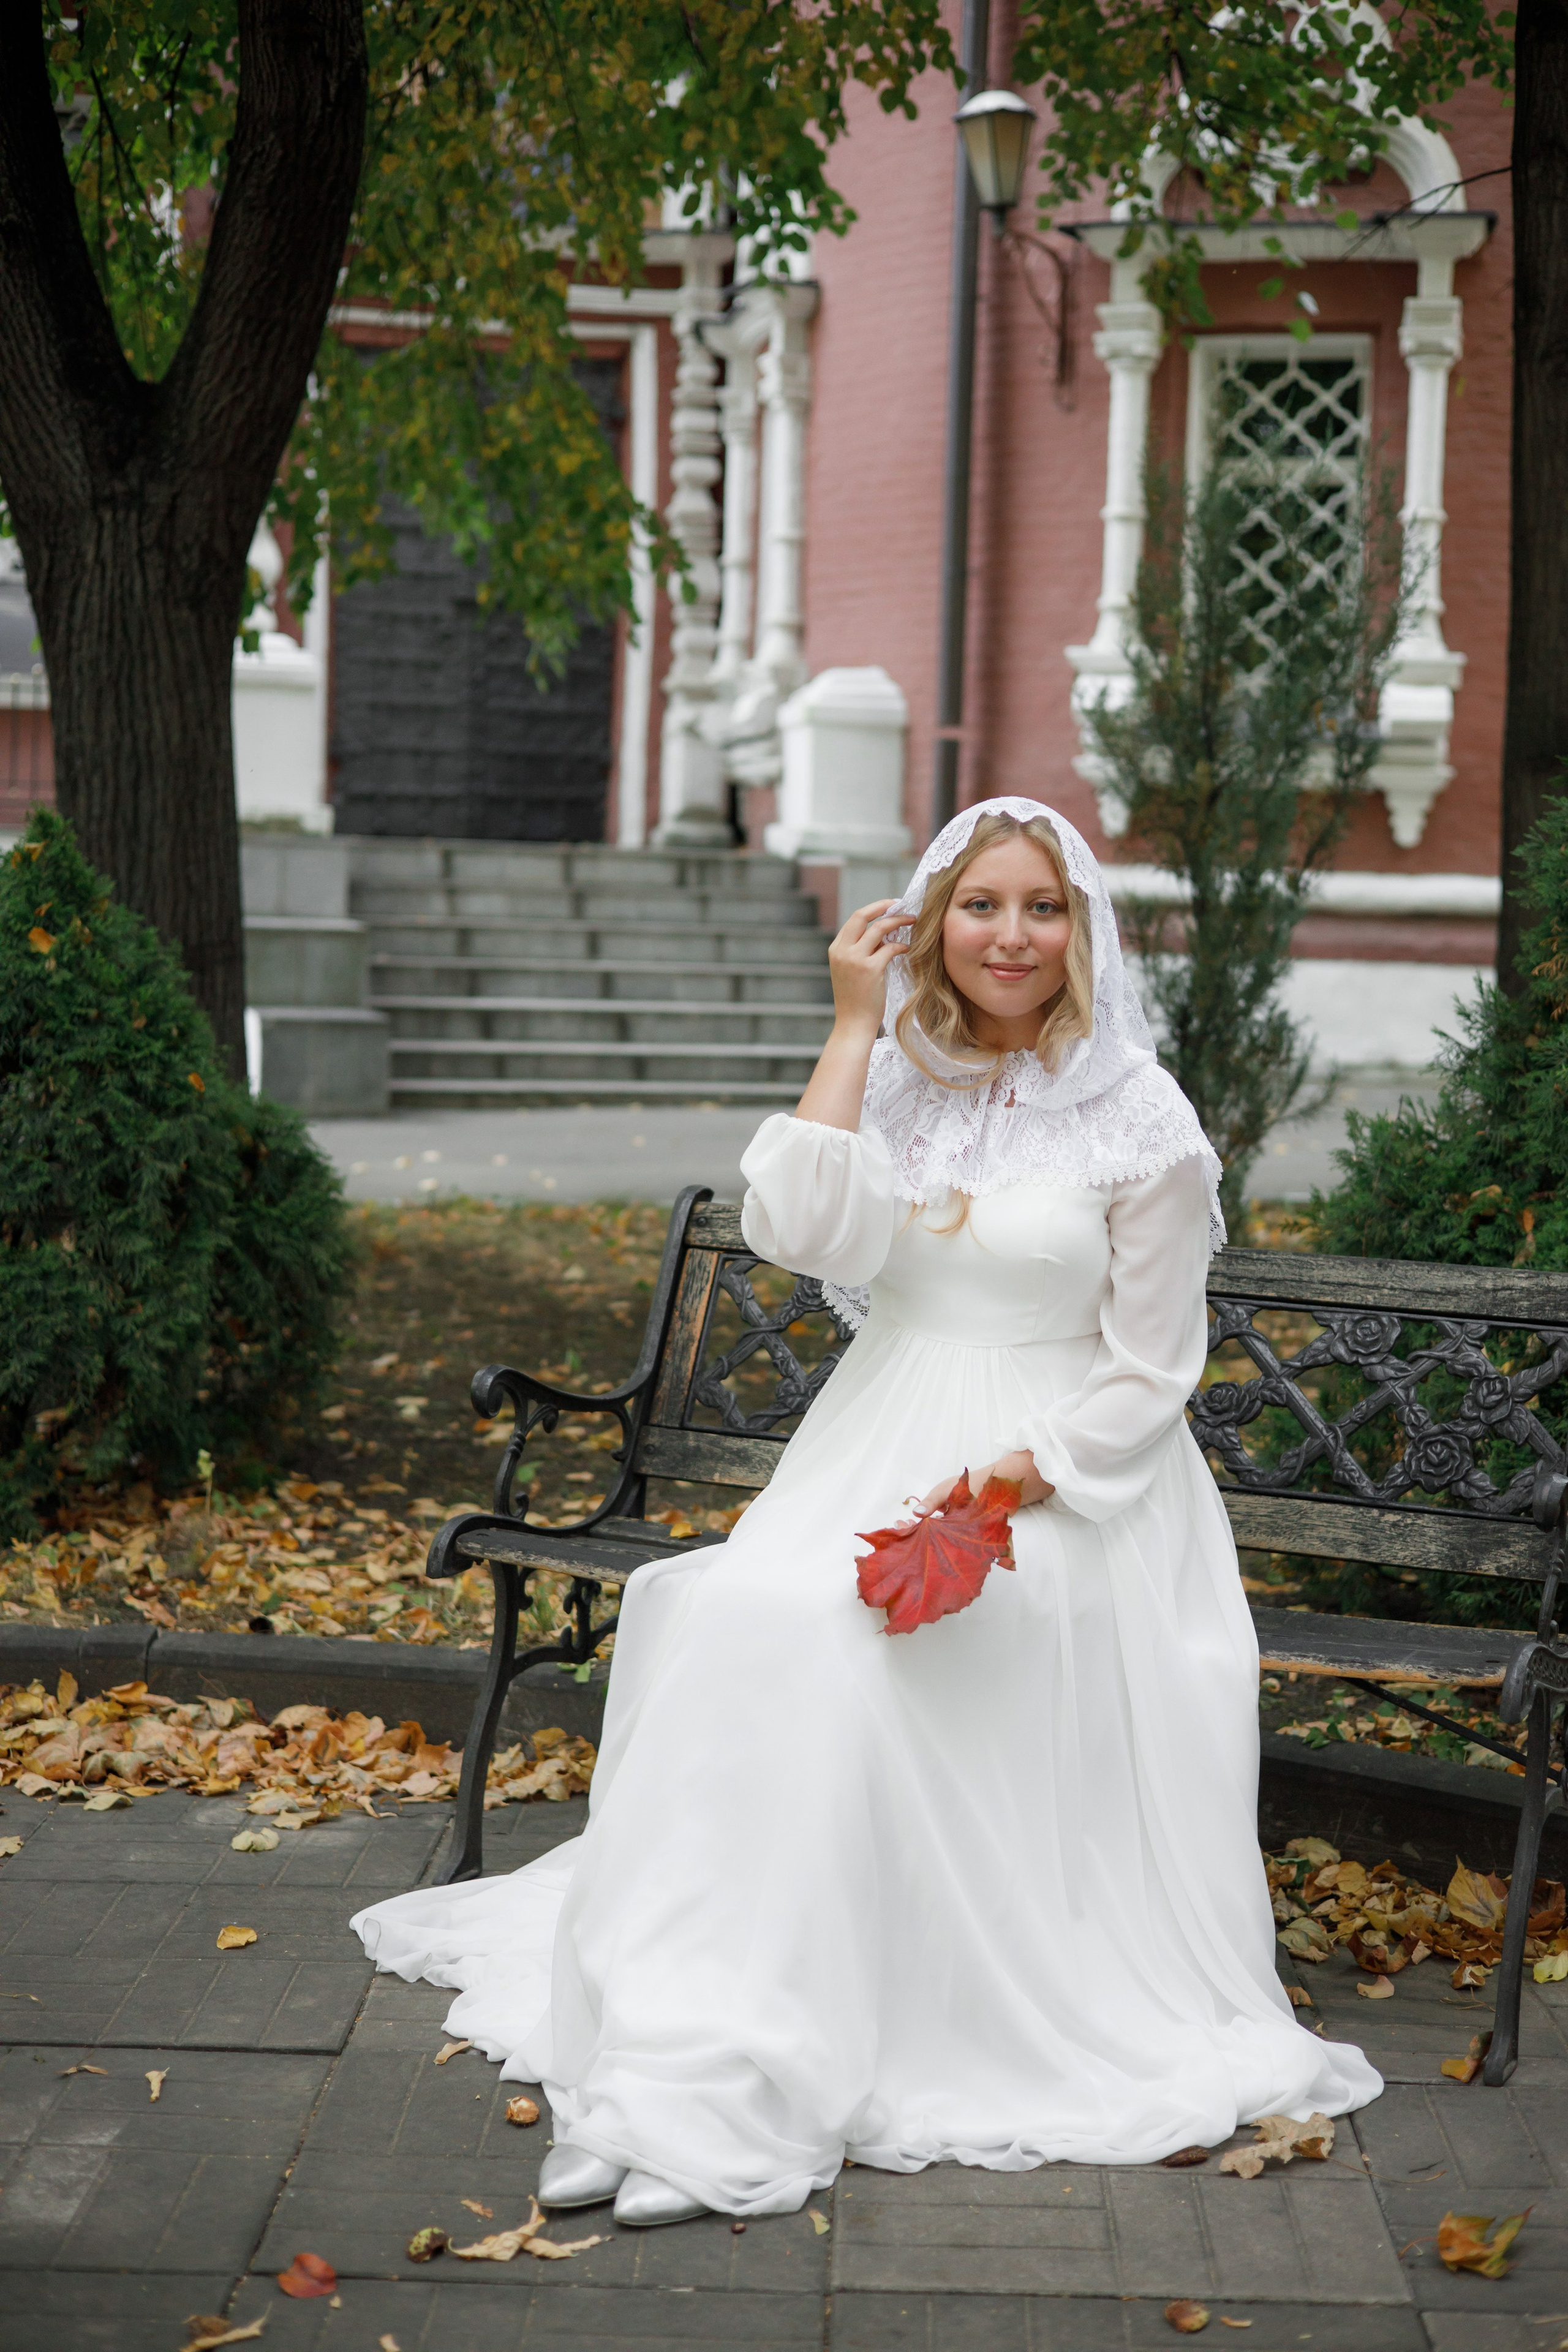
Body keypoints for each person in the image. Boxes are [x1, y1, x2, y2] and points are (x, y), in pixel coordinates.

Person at [351, 795, 1380, 2229]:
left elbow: (1151, 1367)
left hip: (1065, 1485)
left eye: (1040, 907)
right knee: (722, 1619)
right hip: (875, 1438)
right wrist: (849, 1028)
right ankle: (668, 2068)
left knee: (836, 1658)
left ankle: (729, 2084)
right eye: (979, 906)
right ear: (930, 922)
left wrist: (1008, 1483)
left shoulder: (1137, 1111)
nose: (1009, 935)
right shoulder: (896, 1076)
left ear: (1077, 928)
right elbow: (798, 1233)